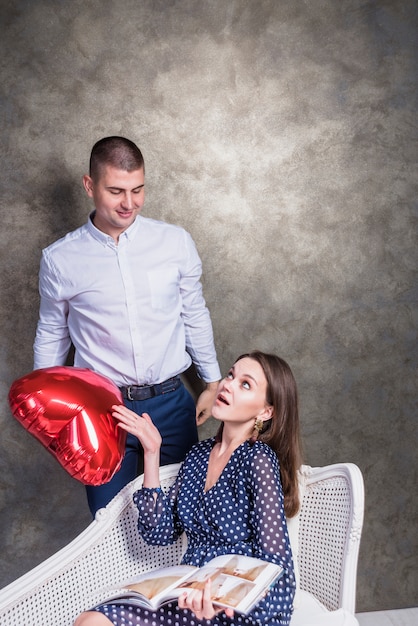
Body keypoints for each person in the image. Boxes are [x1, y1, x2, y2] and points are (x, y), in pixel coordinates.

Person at [33, 136, 221, 515]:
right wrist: (47, 411)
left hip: (172, 403)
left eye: (138, 190)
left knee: (184, 516)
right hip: (102, 409)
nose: (129, 203)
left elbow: (194, 312)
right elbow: (52, 332)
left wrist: (213, 382)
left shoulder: (174, 242)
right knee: (108, 523)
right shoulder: (60, 259)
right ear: (90, 186)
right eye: (116, 191)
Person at [74, 350, 303, 626]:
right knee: (91, 620)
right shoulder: (198, 455)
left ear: (266, 411)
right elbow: (159, 533)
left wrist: (225, 601)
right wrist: (152, 452)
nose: (227, 384)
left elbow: (278, 567)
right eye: (230, 375)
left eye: (245, 384)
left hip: (238, 607)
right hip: (187, 593)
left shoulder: (258, 459)